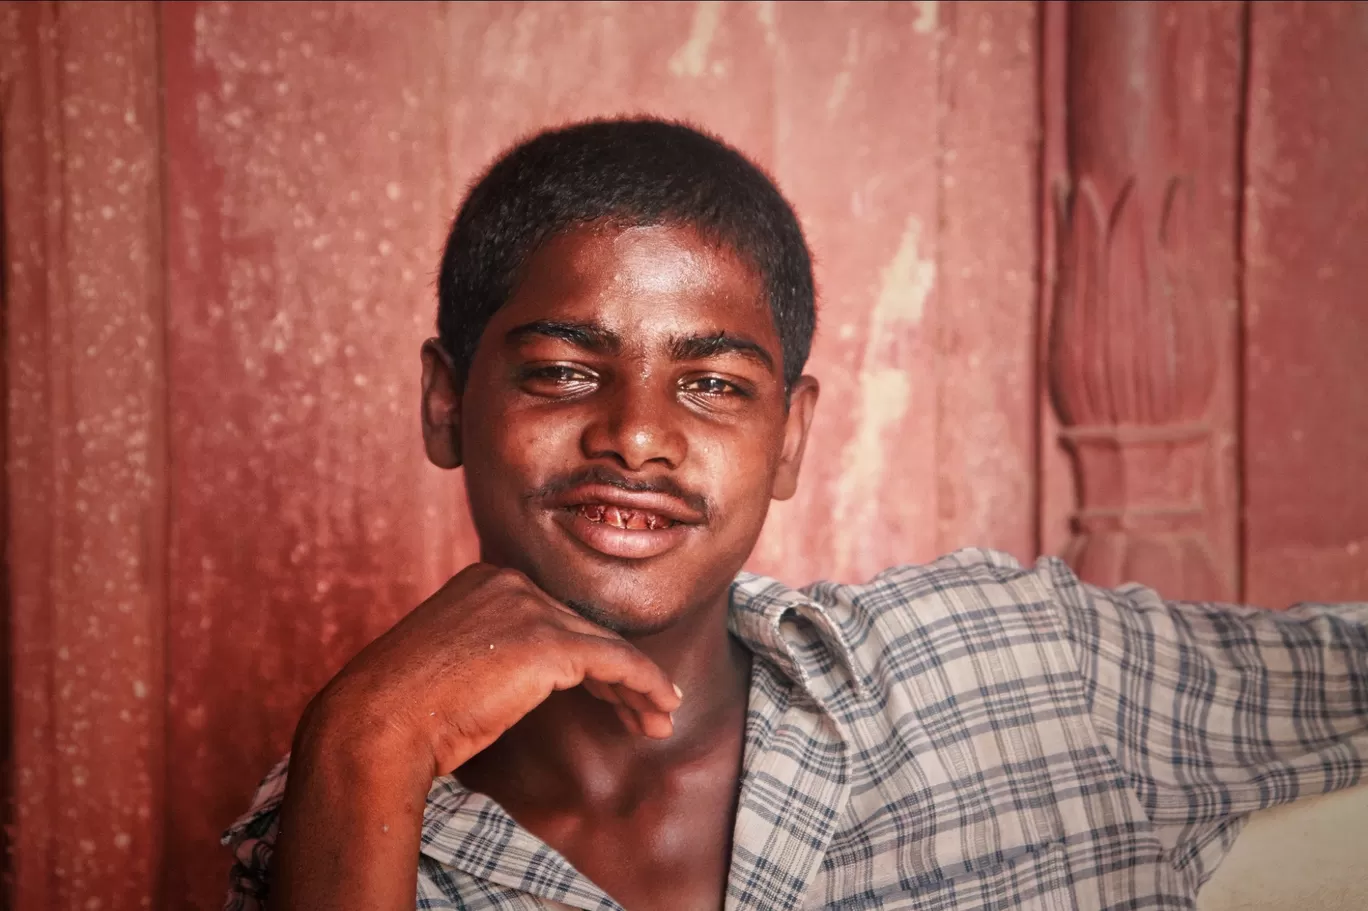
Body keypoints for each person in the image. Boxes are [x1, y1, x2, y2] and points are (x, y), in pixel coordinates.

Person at [223, 118, 1368, 911]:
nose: (636, 433)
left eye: (714, 384)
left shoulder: (1022, 663)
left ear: (793, 435)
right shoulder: (342, 815)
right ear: (445, 402)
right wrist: (365, 736)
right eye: (567, 369)